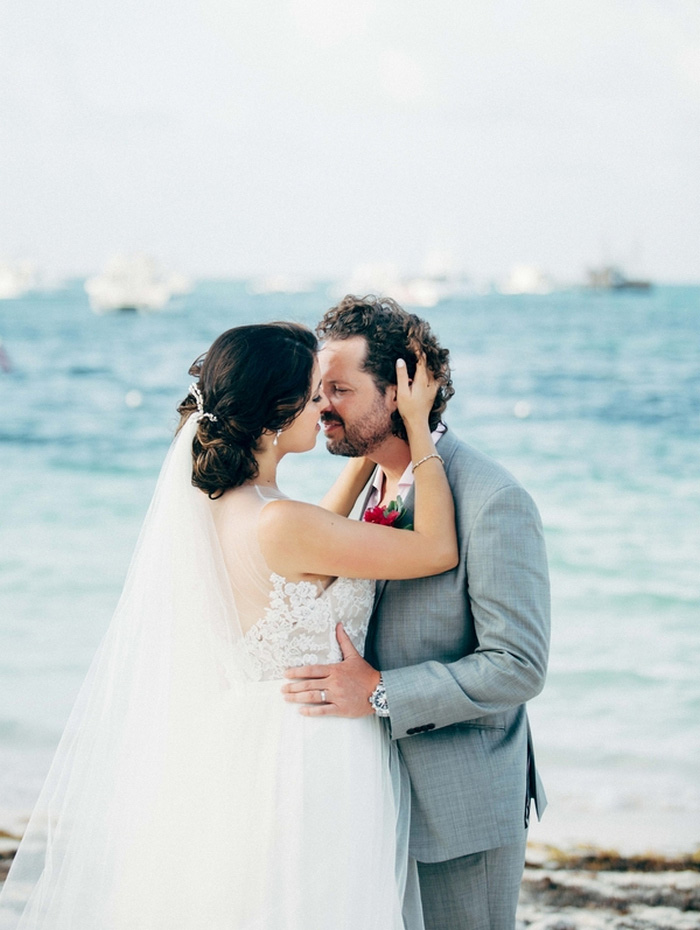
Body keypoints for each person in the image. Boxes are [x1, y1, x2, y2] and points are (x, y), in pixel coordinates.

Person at [0, 321, 457, 930]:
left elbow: (318, 540)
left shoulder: (235, 507)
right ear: (276, 413)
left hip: (257, 741)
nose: (325, 404)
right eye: (315, 392)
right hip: (310, 753)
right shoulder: (282, 524)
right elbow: (435, 550)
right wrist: (421, 432)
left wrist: (368, 454)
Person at [283, 297, 551, 930]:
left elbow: (518, 667)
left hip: (458, 806)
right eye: (320, 390)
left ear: (403, 390)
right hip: (368, 799)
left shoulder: (492, 499)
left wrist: (380, 693)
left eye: (340, 389)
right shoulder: (362, 485)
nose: (322, 406)